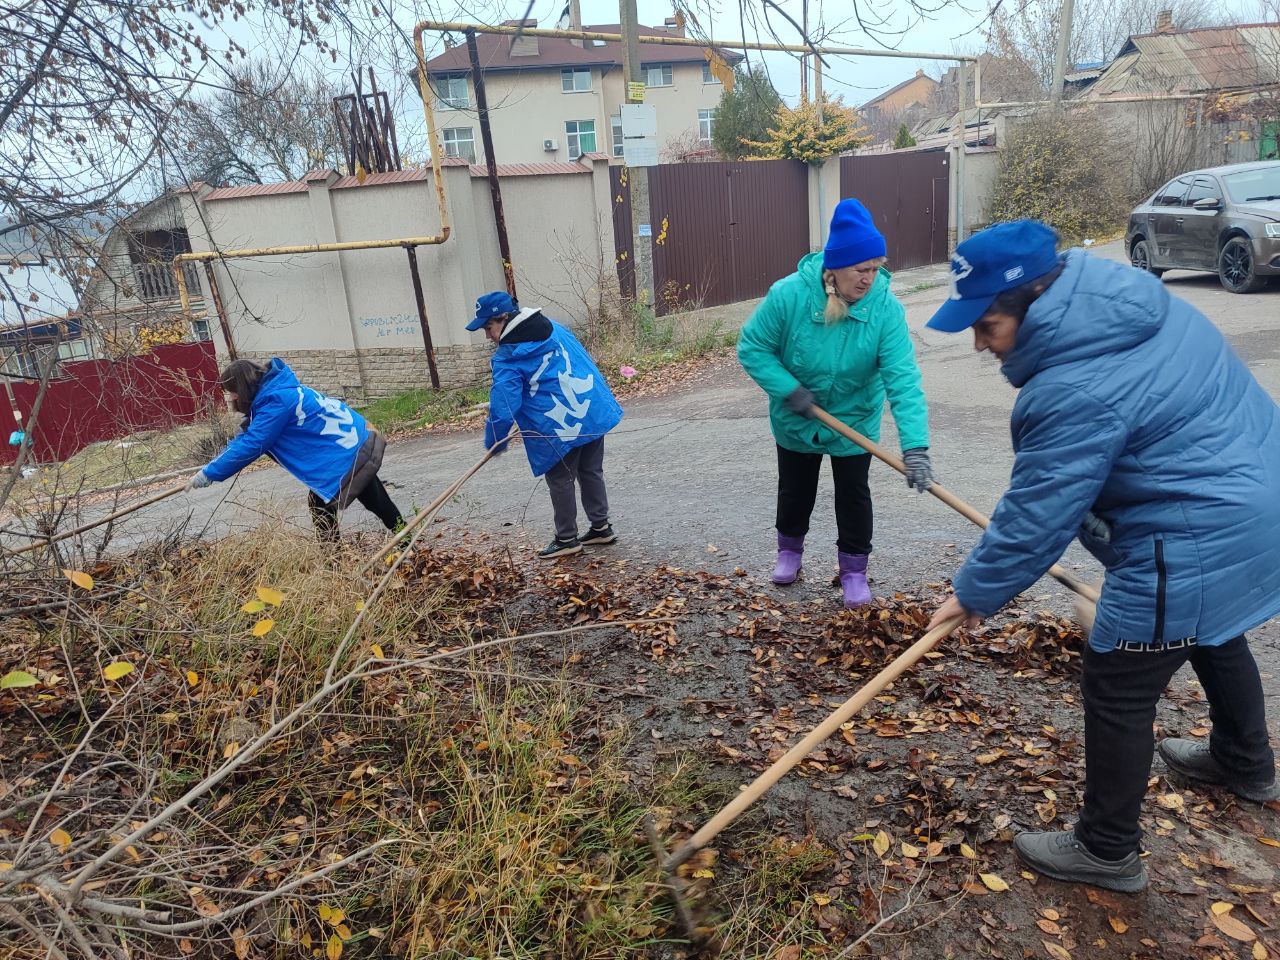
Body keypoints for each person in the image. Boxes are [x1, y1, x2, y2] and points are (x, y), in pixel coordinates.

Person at [924, 219, 1280, 893]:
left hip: (1194, 529)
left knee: (1117, 684)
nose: (979, 344)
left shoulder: (1073, 386)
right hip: (1259, 499)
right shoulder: (1129, 302)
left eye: (987, 326)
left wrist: (974, 592)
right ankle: (1244, 761)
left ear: (1033, 300)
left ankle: (1107, 849)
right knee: (1213, 625)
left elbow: (1039, 514)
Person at [737, 198, 933, 608]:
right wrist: (788, 390)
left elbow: (903, 379)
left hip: (854, 418)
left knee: (853, 494)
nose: (869, 278)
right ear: (835, 267)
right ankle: (789, 552)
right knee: (795, 488)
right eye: (861, 269)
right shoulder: (789, 295)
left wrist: (915, 446)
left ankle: (854, 571)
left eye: (876, 268)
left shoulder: (885, 309)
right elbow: (753, 347)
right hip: (797, 414)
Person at [472, 291, 623, 559]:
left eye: (488, 327)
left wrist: (495, 440)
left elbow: (503, 405)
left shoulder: (508, 357)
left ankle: (567, 539)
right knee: (590, 470)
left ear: (504, 318)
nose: (487, 336)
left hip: (558, 425)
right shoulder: (554, 327)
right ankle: (601, 527)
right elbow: (581, 359)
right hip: (589, 408)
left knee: (561, 479)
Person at [187, 358, 404, 541]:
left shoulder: (277, 401)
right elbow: (247, 436)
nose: (232, 398)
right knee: (350, 501)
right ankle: (398, 542)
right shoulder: (277, 392)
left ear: (242, 387)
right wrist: (210, 469)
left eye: (232, 392)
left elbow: (253, 443)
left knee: (362, 502)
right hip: (352, 443)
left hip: (348, 451)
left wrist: (210, 473)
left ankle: (347, 559)